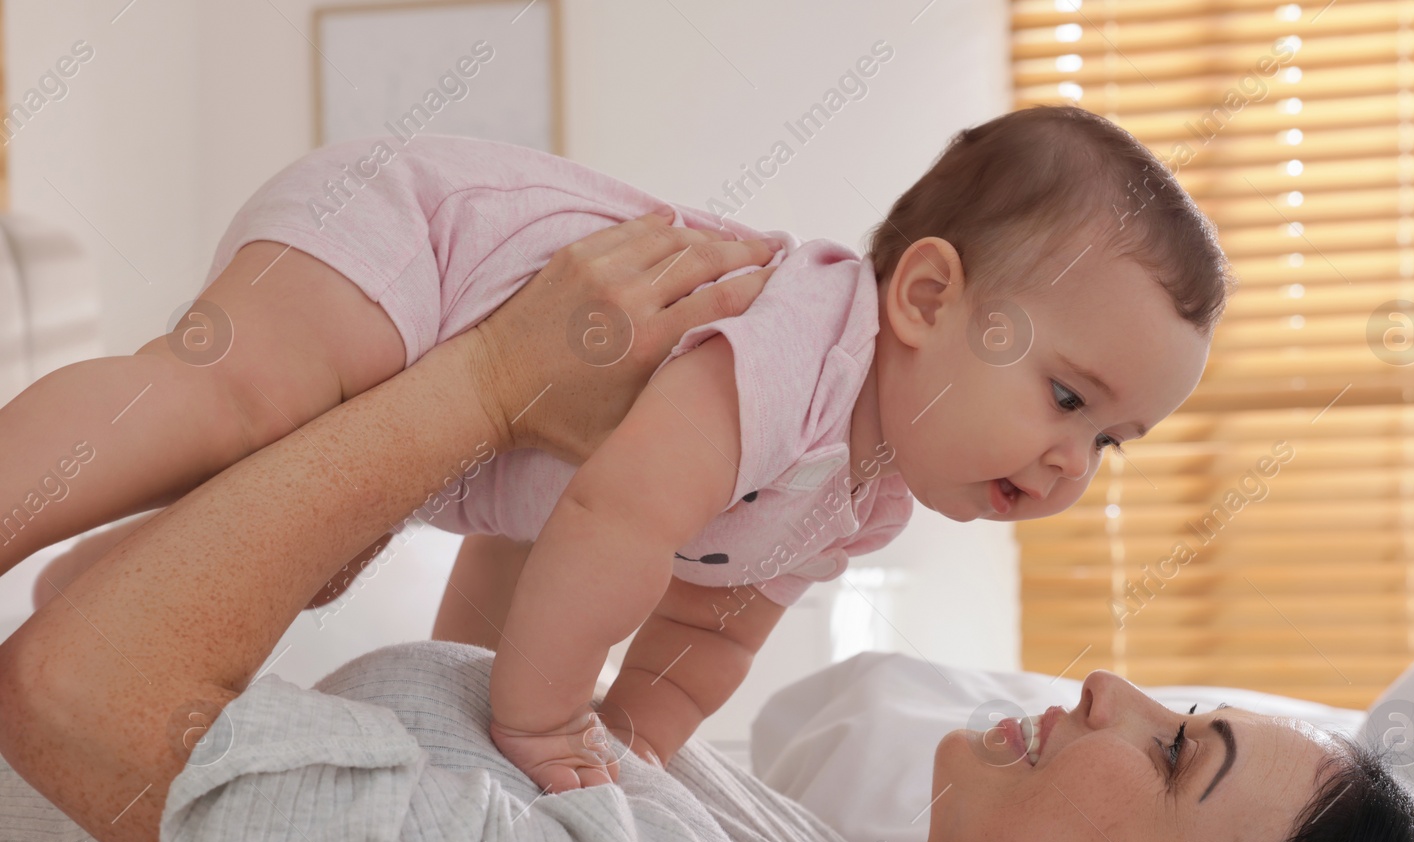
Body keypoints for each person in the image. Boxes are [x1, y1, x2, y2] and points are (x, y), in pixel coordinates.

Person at [0, 216, 1414, 842]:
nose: (1111, 684)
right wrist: (607, 465)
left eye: (1177, 750)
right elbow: (493, 708)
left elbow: (77, 692)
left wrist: (489, 383)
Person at [0, 105, 1224, 796]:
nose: (1072, 462)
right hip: (427, 237)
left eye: (1109, 441)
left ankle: (96, 583)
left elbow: (709, 631)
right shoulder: (801, 342)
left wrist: (625, 748)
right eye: (1066, 394)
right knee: (237, 402)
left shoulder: (861, 502)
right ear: (921, 298)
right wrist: (541, 725)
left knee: (295, 538)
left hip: (474, 402)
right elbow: (611, 523)